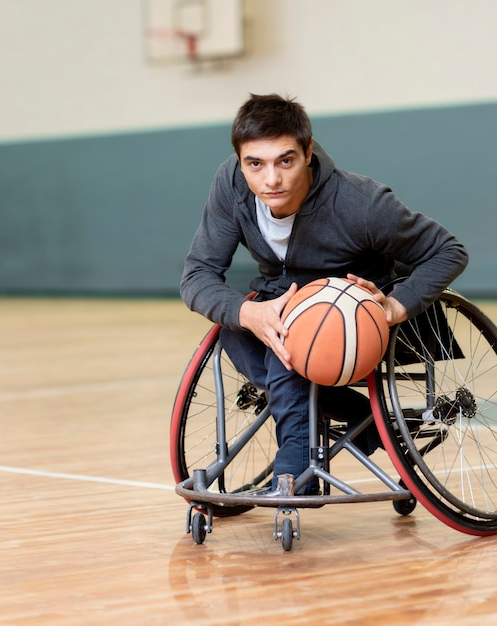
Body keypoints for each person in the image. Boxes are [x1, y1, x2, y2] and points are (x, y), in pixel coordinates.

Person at [180, 93, 468, 495]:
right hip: (283, 303)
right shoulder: (232, 185)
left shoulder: (361, 204)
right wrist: (250, 316)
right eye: (255, 164)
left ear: (308, 152)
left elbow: (448, 251)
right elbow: (197, 275)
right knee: (234, 324)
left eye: (285, 160)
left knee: (292, 348)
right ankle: (369, 420)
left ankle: (296, 476)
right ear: (240, 161)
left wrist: (395, 306)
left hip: (360, 317)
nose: (271, 180)